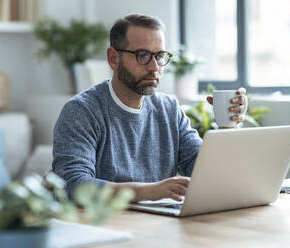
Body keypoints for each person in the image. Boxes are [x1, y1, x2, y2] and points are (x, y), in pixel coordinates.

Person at [52, 14, 247, 202]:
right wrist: (148, 191)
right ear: (113, 58)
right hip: (107, 226)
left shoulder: (169, 109)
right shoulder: (81, 112)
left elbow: (204, 172)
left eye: (160, 56)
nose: (154, 67)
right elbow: (73, 185)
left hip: (159, 226)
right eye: (143, 55)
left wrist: (227, 127)